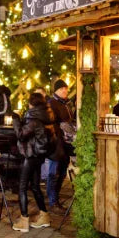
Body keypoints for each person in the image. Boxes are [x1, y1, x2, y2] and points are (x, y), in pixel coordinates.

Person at [14, 91, 53, 232]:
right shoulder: (45, 116)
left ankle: (24, 220)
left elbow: (21, 135)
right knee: (35, 186)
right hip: (39, 156)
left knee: (22, 187)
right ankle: (44, 215)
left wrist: (16, 119)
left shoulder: (34, 120)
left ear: (31, 104)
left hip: (30, 155)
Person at [45, 79, 74, 209]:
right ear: (56, 90)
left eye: (66, 88)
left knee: (62, 172)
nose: (65, 91)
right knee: (53, 173)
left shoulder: (66, 103)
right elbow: (50, 122)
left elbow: (69, 120)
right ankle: (52, 200)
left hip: (65, 143)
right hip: (56, 143)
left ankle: (55, 197)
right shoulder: (52, 103)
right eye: (62, 88)